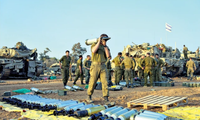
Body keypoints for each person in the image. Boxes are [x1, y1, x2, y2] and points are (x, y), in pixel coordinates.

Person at [87, 34, 111, 105]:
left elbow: (108, 56)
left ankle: (106, 99)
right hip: (95, 65)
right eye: (104, 40)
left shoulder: (105, 47)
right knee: (93, 82)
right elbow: (93, 51)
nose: (105, 41)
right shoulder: (94, 44)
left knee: (105, 82)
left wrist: (105, 45)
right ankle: (89, 96)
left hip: (103, 65)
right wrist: (98, 42)